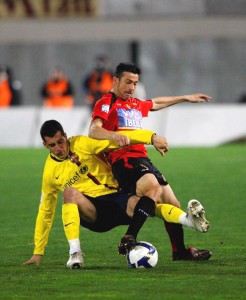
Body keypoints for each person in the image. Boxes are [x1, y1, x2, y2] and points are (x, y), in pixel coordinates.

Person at [23, 120, 210, 269]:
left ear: (65, 135)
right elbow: (45, 212)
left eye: (61, 141)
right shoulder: (49, 173)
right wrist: (38, 251)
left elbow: (120, 138)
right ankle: (75, 253)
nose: (58, 148)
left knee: (147, 202)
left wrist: (150, 138)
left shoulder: (83, 143)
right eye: (52, 145)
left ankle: (189, 220)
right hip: (93, 212)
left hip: (116, 199)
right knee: (70, 192)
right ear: (45, 145)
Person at [88, 62, 212, 260]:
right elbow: (93, 130)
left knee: (173, 202)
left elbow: (155, 103)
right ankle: (130, 236)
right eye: (128, 82)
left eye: (135, 83)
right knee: (153, 188)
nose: (132, 88)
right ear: (116, 80)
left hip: (142, 159)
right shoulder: (107, 101)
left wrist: (185, 98)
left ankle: (179, 252)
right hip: (124, 160)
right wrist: (112, 136)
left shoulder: (134, 103)